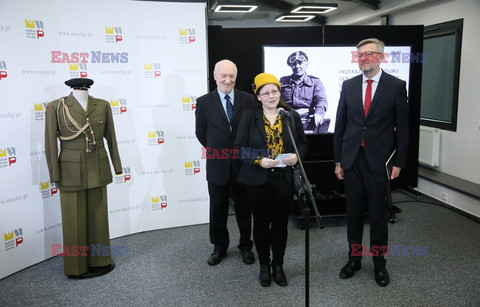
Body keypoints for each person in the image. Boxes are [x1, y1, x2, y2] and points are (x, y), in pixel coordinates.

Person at [333, 38, 409, 287]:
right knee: (353, 213)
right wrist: (338, 160)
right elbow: (341, 126)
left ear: (381, 57)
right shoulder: (349, 85)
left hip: (379, 161)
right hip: (352, 159)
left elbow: (403, 129)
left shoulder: (396, 86)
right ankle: (354, 259)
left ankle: (379, 264)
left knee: (377, 215)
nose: (362, 59)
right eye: (359, 56)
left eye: (367, 54)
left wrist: (399, 160)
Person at [235, 73, 308, 287]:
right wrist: (259, 160)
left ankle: (278, 265)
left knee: (280, 224)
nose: (270, 96)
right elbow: (239, 149)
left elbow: (302, 143)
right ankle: (264, 265)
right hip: (258, 179)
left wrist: (297, 156)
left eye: (274, 91)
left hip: (284, 179)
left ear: (279, 92)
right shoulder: (250, 117)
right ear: (258, 96)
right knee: (261, 224)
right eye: (265, 93)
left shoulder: (290, 116)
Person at [45, 78, 122, 278]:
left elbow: (111, 137)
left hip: (98, 166)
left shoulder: (102, 105)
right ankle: (75, 267)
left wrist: (117, 166)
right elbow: (50, 144)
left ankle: (100, 260)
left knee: (99, 219)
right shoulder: (56, 107)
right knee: (73, 221)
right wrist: (55, 174)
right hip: (70, 171)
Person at [195, 59, 256, 266]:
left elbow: (252, 131)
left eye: (231, 76)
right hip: (217, 164)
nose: (227, 80)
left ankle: (246, 246)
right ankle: (219, 247)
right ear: (215, 76)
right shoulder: (203, 102)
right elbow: (201, 133)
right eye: (223, 76)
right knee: (217, 208)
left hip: (242, 164)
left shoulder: (249, 100)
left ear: (236, 77)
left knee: (244, 209)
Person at [279, 51, 328, 133]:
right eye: (294, 64)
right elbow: (276, 99)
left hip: (307, 121)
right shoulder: (283, 81)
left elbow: (321, 100)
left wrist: (319, 113)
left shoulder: (315, 82)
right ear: (291, 66)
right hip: (287, 121)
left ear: (306, 64)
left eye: (300, 63)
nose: (297, 66)